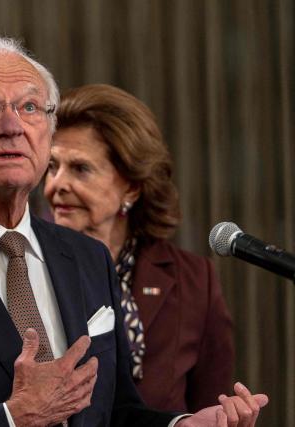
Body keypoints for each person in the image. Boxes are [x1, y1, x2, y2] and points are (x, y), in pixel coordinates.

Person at [0, 37, 266, 427]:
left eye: (30, 107)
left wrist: (181, 425)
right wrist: (12, 419)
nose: (11, 126)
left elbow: (114, 412)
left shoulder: (88, 258)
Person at [43, 83, 235, 413]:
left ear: (131, 186)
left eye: (80, 169)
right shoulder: (26, 264)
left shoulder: (193, 280)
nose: (57, 184)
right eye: (51, 166)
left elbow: (211, 408)